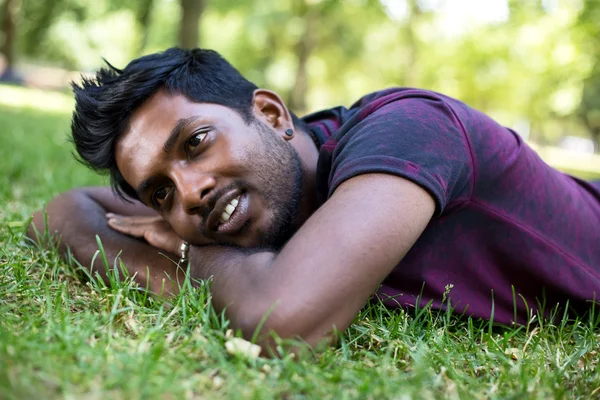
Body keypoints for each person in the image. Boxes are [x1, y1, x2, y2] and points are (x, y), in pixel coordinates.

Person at [27, 47, 600, 350]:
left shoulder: (409, 130)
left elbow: (281, 324)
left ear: (271, 114)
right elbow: (61, 211)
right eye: (160, 193)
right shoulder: (259, 183)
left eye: (197, 143)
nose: (191, 193)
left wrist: (190, 251)